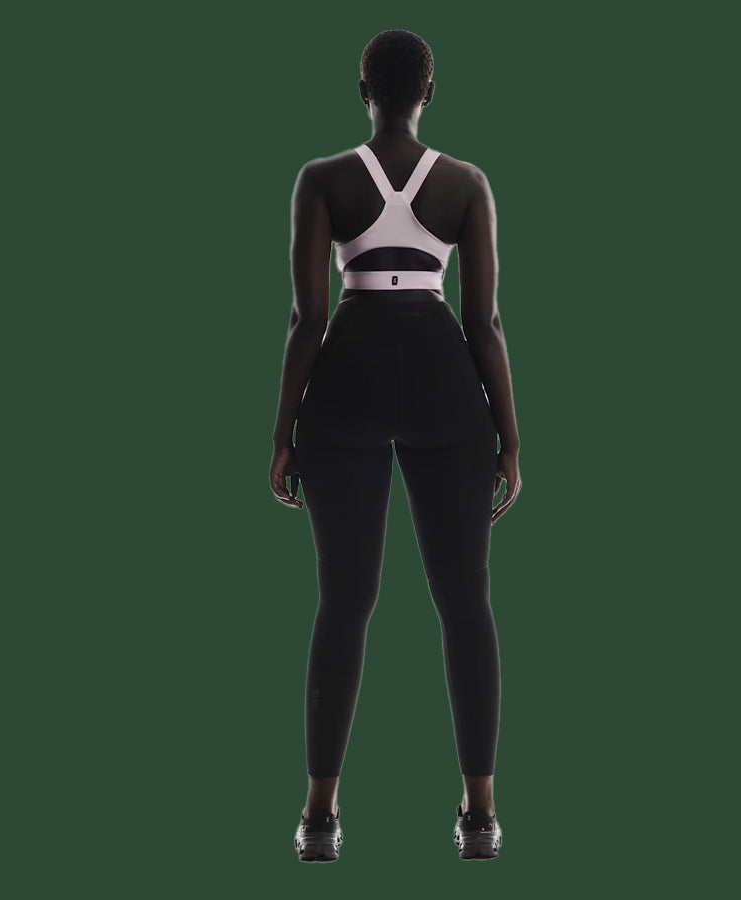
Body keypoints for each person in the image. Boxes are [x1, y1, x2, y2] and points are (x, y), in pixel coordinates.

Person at [269, 29, 521, 862]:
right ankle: (480, 816)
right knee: (465, 602)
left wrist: (282, 432)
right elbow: (485, 321)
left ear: (363, 92)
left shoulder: (322, 179)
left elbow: (307, 318)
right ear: (429, 93)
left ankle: (318, 818)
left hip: (348, 380)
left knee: (344, 602)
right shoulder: (466, 184)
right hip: (445, 384)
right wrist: (511, 438)